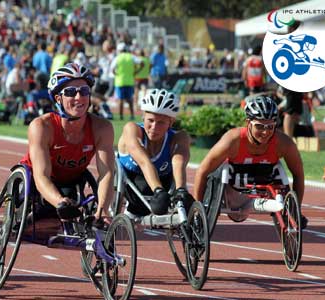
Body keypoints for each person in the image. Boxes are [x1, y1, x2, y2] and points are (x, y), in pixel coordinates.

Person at [19, 63, 115, 222]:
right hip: (38, 180)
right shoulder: (42, 126)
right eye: (71, 92)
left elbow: (107, 173)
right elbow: (41, 175)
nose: (79, 97)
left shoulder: (102, 128)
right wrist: (59, 201)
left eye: (84, 91)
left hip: (72, 180)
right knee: (43, 217)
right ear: (58, 98)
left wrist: (103, 209)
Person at [193, 95, 307, 228]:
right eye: (259, 126)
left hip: (265, 185)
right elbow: (202, 171)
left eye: (270, 127)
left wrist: (296, 209)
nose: (265, 132)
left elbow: (298, 174)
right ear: (248, 123)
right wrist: (197, 209)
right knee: (215, 173)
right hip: (232, 191)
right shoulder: (232, 140)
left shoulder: (284, 143)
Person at [117, 88, 194, 218]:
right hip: (131, 185)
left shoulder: (179, 137)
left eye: (161, 122)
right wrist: (158, 191)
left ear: (171, 122)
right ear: (143, 117)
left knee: (184, 201)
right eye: (150, 120)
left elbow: (179, 162)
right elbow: (144, 161)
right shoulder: (132, 129)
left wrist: (181, 190)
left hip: (164, 184)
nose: (154, 127)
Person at [111, 42, 143, 120]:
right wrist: (136, 72)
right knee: (130, 99)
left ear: (119, 50)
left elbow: (112, 68)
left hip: (120, 81)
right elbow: (142, 63)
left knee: (120, 99)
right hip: (130, 81)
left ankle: (121, 116)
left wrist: (116, 74)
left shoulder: (117, 58)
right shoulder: (131, 57)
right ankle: (132, 115)